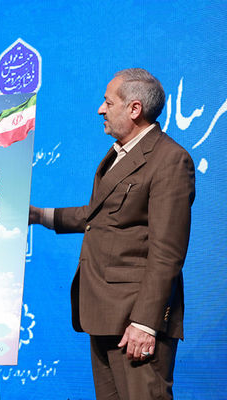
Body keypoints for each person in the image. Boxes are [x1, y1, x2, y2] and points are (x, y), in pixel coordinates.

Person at [29, 68, 195, 399]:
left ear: (134, 109)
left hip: (135, 322)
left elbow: (167, 253)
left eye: (108, 102)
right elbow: (100, 216)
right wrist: (39, 216)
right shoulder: (120, 153)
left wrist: (145, 324)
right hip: (104, 315)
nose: (100, 110)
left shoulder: (170, 161)